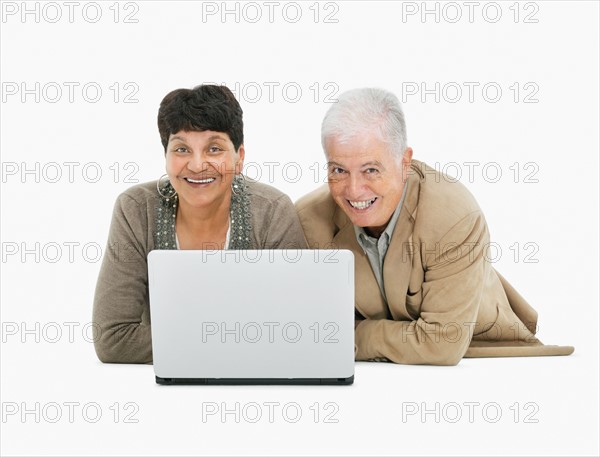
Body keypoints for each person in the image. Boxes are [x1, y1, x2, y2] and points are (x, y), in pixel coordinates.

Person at [295, 88, 574, 365]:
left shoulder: (454, 217)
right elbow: (305, 326)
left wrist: (350, 334)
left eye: (371, 170)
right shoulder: (308, 219)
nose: (354, 191)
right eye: (339, 170)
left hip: (484, 350)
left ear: (404, 162)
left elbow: (442, 343)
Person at [93, 84, 307, 364]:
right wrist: (236, 336)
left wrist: (182, 338)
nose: (196, 165)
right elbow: (113, 339)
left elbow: (298, 331)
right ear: (166, 157)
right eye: (181, 149)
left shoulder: (272, 211)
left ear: (239, 158)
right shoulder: (136, 209)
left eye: (214, 148)